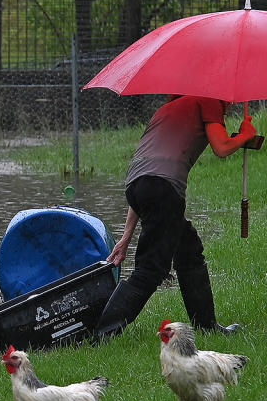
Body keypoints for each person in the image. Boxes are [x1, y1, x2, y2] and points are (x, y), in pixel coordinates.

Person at [94, 95, 257, 338]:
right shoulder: (208, 100)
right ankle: (101, 334)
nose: (231, 102)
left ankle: (206, 325)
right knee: (151, 269)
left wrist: (127, 235)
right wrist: (246, 135)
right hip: (164, 189)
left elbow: (146, 177)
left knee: (188, 250)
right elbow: (221, 147)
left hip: (137, 187)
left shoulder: (167, 109)